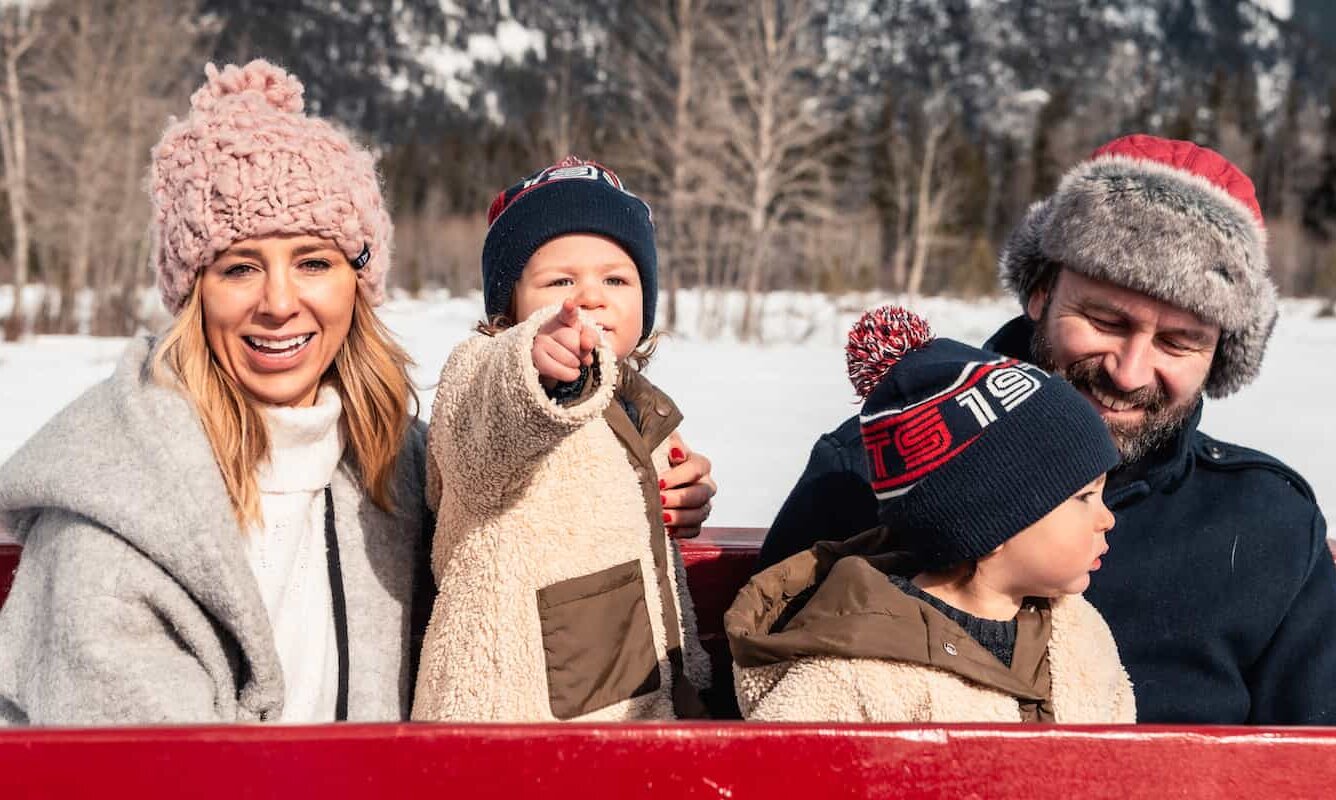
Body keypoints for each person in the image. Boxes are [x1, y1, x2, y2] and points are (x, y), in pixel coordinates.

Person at [758, 134, 1336, 725]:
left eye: (1178, 342)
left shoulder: (1266, 525)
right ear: (1040, 292)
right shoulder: (877, 470)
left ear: (1221, 355)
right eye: (1106, 320)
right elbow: (761, 701)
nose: (1129, 372)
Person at [0, 61, 430, 724]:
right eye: (240, 268)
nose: (280, 303)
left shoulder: (395, 469)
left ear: (358, 283)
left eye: (313, 261)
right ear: (192, 297)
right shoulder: (117, 515)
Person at [411, 157, 711, 722]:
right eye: (561, 282)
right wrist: (530, 364)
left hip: (622, 698)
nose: (592, 297)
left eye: (616, 279)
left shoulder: (632, 401)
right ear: (510, 309)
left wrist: (678, 498)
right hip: (514, 714)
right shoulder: (484, 374)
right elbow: (481, 435)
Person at [728, 306, 1134, 723]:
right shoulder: (856, 674)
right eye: (1084, 497)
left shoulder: (1079, 638)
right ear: (991, 524)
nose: (1108, 519)